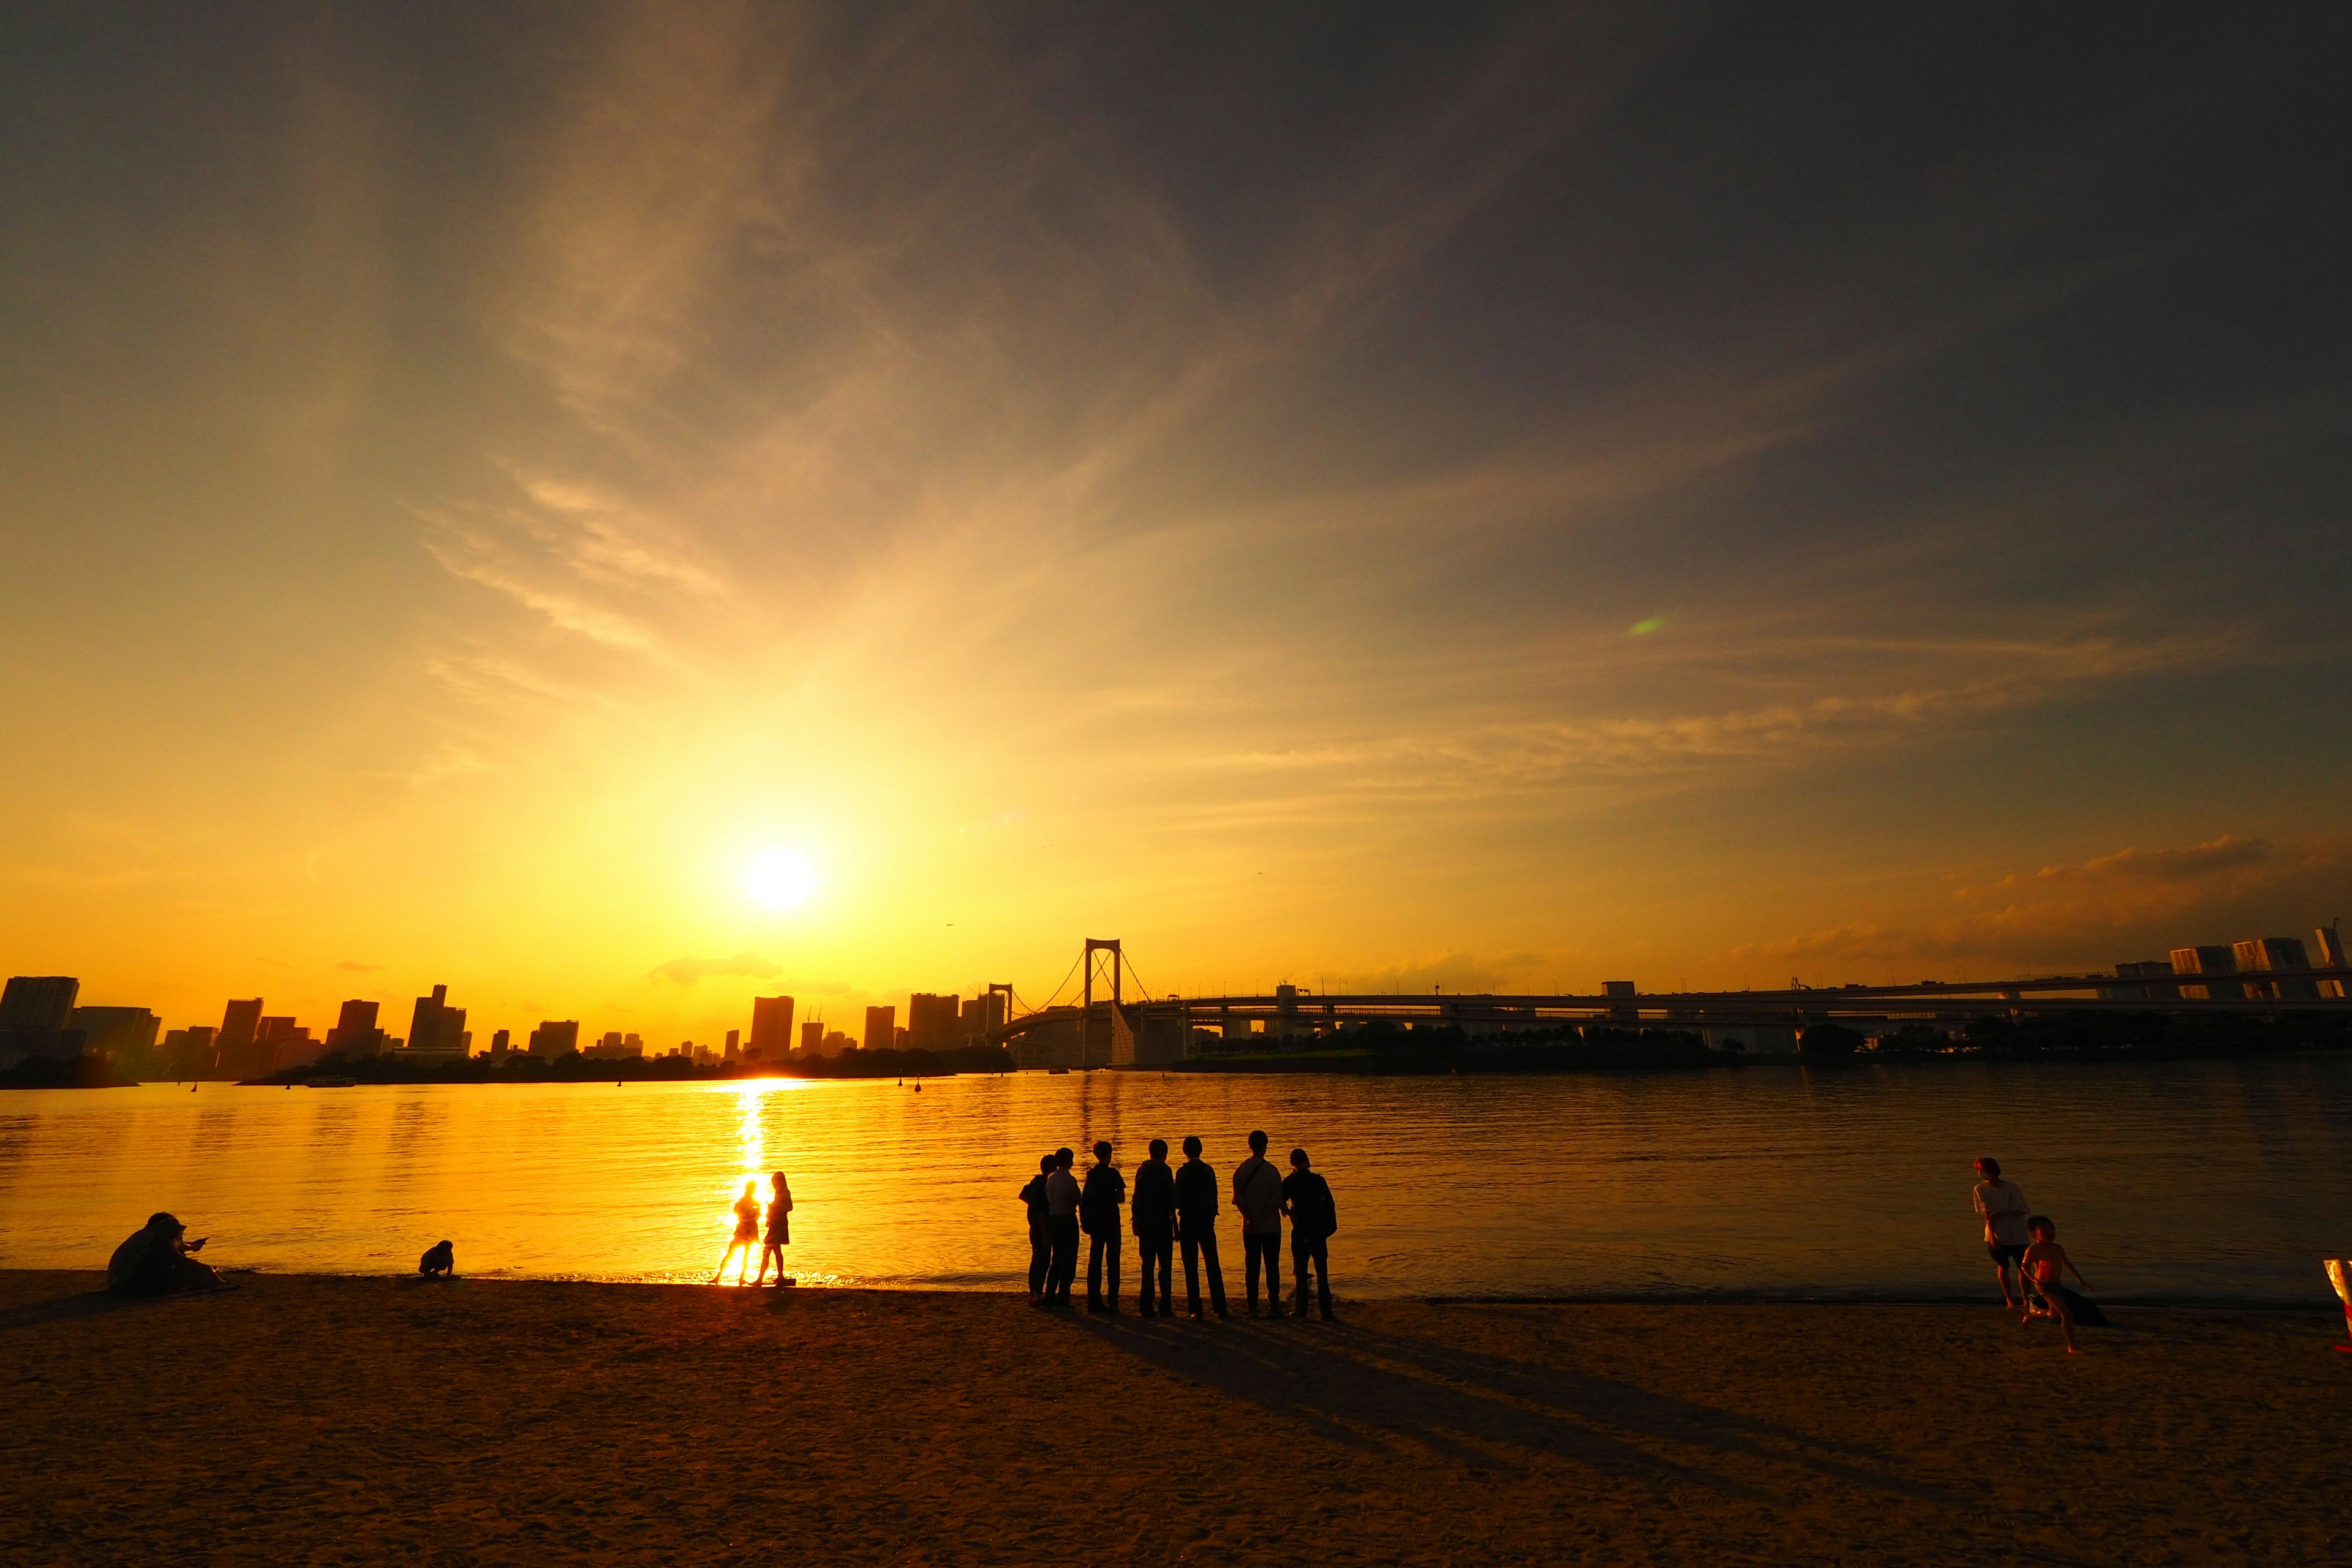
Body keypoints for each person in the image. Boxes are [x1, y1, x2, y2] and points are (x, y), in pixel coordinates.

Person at [106, 1213, 233, 1297]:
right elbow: (174, 1256)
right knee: (187, 1272)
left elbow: (173, 1248)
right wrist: (207, 1269)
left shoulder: (145, 1237)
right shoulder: (155, 1241)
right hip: (126, 1282)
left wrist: (193, 1246)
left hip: (118, 1281)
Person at [2018, 1216, 2094, 1354]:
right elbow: (2024, 1266)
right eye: (2044, 1228)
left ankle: (2030, 1316)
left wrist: (2081, 1280)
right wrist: (2034, 1279)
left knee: (2054, 1316)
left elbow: (2067, 1263)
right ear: (2034, 1233)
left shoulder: (2058, 1248)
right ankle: (2072, 1346)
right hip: (2044, 1287)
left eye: (2051, 1228)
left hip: (2056, 1285)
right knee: (2067, 1313)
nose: (2049, 1231)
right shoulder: (2034, 1249)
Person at [1232, 1129, 1286, 1317]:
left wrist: (1250, 1218)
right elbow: (1276, 1201)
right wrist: (1262, 1218)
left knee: (1252, 1266)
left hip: (1249, 1228)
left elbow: (1238, 1200)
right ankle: (1274, 1304)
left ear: (1250, 1146)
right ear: (1266, 1146)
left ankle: (1252, 1306)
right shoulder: (1272, 1171)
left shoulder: (1241, 1170)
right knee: (1272, 1265)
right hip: (1270, 1227)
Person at [1280, 1147, 1338, 1322]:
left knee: (1301, 1270)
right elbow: (1331, 1203)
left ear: (1292, 1164)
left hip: (1301, 1230)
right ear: (1307, 1161)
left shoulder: (1290, 1182)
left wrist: (1290, 1213)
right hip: (1318, 1230)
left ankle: (1301, 1309)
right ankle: (1326, 1311)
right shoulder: (1319, 1181)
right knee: (1322, 1271)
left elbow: (1279, 1200)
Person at [1175, 1136, 1228, 1319]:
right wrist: (1212, 1216)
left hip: (1188, 1222)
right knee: (1213, 1264)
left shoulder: (1182, 1172)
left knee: (1191, 1267)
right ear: (1201, 1150)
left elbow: (1177, 1200)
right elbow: (1215, 1196)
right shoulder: (1208, 1171)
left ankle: (1196, 1309)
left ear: (1185, 1152)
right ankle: (1220, 1307)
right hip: (1206, 1222)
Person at [1972, 1157, 2032, 1308]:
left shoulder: (2011, 1187)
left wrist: (1999, 1214)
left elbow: (2021, 1210)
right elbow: (1988, 1216)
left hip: (2018, 1234)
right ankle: (2010, 1300)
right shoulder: (1980, 1189)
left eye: (1982, 1169)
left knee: (2023, 1268)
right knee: (2003, 1266)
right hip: (1998, 1235)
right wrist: (1993, 1237)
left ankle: (2026, 1299)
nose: (1980, 1173)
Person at [1131, 1138, 1177, 1317]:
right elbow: (1171, 1201)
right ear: (1164, 1154)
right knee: (1165, 1267)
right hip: (1163, 1224)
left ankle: (1146, 1306)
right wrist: (1176, 1226)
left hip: (1146, 1224)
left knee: (1147, 1265)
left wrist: (1136, 1221)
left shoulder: (1142, 1169)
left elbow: (1136, 1198)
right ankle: (1165, 1306)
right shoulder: (1165, 1171)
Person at [1081, 1140, 1127, 1313]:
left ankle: (1094, 1301)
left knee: (1095, 1262)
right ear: (1109, 1154)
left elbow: (1085, 1199)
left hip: (1095, 1222)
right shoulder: (1113, 1174)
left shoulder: (1091, 1175)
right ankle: (1113, 1302)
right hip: (1111, 1221)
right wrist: (1110, 1197)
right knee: (1113, 1262)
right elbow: (1121, 1197)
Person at [1044, 1147, 1082, 1306]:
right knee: (1069, 1259)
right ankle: (1064, 1295)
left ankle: (1050, 1294)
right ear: (1069, 1162)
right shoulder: (1069, 1180)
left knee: (1057, 1259)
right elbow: (1077, 1199)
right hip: (1067, 1220)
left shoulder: (1051, 1179)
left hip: (1054, 1220)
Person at [1019, 1154, 1055, 1304]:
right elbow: (1041, 1212)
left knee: (1036, 1259)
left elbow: (1024, 1195)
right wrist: (1047, 1234)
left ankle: (1033, 1291)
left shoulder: (1036, 1181)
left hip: (1034, 1227)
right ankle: (1037, 1292)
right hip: (1041, 1228)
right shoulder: (1044, 1184)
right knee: (1043, 1260)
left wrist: (1032, 1206)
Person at [712, 1178, 761, 1284]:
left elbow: (753, 1215)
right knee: (736, 1253)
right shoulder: (748, 1202)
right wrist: (750, 1215)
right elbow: (739, 1213)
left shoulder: (750, 1202)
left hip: (746, 1231)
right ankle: (725, 1277)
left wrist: (749, 1215)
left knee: (738, 1254)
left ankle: (732, 1277)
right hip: (745, 1230)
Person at [753, 1171, 794, 1286]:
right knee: (777, 1251)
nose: (774, 1185)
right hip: (776, 1225)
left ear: (780, 1182)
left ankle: (760, 1279)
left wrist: (776, 1206)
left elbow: (789, 1207)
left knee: (767, 1251)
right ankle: (780, 1277)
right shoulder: (779, 1192)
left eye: (775, 1183)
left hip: (779, 1226)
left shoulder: (785, 1192)